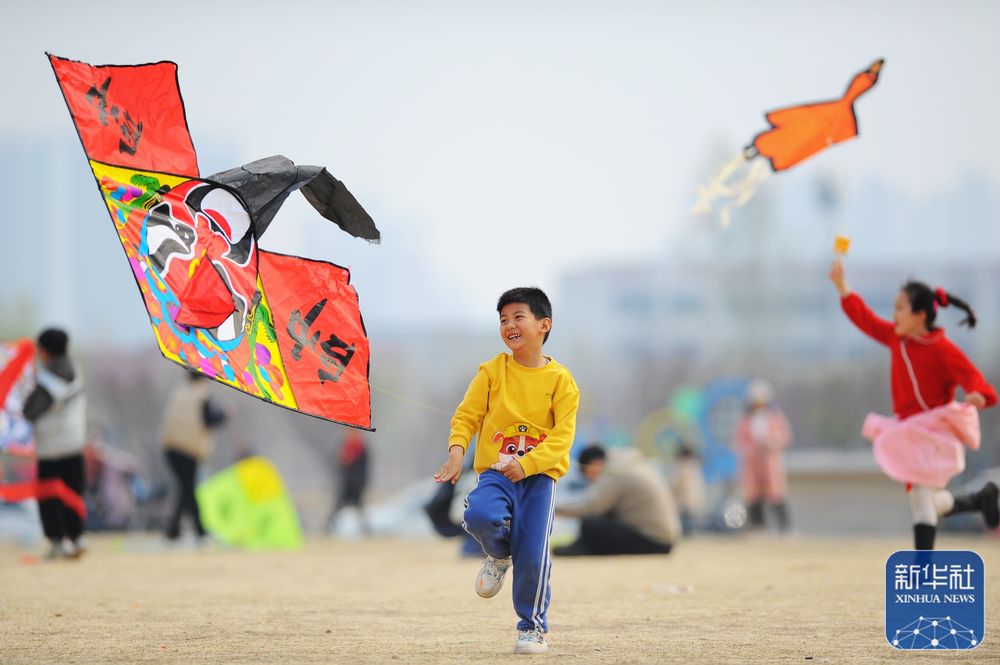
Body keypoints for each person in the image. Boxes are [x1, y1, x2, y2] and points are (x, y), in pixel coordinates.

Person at [434, 287, 579, 655]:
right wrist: (455, 454)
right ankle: (499, 555)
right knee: (479, 515)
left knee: (532, 554)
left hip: (539, 480)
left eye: (518, 317)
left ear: (544, 324)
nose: (509, 325)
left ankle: (531, 627)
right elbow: (466, 417)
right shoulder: (492, 371)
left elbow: (562, 437)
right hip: (496, 474)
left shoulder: (561, 381)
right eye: (503, 319)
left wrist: (527, 464)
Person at [830, 259, 1000, 549]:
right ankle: (981, 498)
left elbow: (972, 377)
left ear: (920, 315)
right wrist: (842, 286)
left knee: (922, 502)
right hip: (908, 433)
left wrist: (978, 395)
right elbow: (865, 319)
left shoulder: (942, 350)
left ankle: (922, 575)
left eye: (899, 308)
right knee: (927, 503)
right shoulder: (897, 340)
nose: (894, 315)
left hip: (934, 434)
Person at [23, 328, 87, 559]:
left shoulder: (46, 381)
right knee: (74, 493)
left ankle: (58, 542)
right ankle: (77, 538)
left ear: (45, 351)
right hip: (75, 443)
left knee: (50, 497)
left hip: (50, 449)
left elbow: (29, 411)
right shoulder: (76, 371)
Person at [553, 444, 680, 555]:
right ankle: (582, 547)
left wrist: (552, 508)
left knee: (590, 524)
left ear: (594, 465)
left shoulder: (615, 472)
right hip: (664, 539)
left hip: (652, 540)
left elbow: (590, 507)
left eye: (587, 474)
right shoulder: (627, 464)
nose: (590, 480)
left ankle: (582, 549)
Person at [160, 371, 227, 542]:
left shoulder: (179, 390)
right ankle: (198, 530)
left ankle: (174, 529)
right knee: (188, 489)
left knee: (185, 489)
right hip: (189, 450)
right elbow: (209, 419)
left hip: (170, 447)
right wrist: (225, 415)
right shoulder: (203, 394)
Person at [733, 380, 793, 532]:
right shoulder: (745, 420)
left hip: (770, 461)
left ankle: (785, 528)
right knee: (754, 496)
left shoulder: (775, 417)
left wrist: (771, 443)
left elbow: (784, 436)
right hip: (752, 463)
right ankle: (757, 527)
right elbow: (739, 441)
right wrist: (752, 449)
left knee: (776, 494)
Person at [326, 430, 371, 535]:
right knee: (337, 508)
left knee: (359, 508)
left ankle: (367, 531)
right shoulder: (345, 446)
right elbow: (339, 462)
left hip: (356, 484)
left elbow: (361, 467)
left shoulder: (361, 448)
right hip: (346, 484)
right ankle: (328, 529)